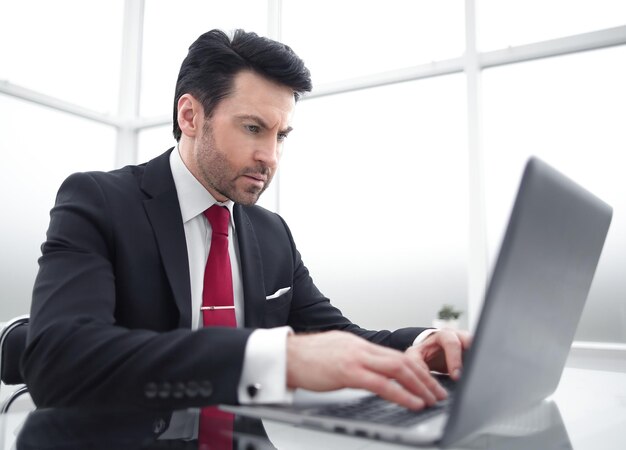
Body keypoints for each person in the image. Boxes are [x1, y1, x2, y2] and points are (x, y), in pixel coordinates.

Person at [23, 29, 470, 416]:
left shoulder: (272, 233)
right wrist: (274, 357)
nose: (270, 157)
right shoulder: (101, 201)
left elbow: (338, 339)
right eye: (253, 128)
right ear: (190, 116)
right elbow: (59, 361)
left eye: (281, 136)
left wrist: (424, 344)